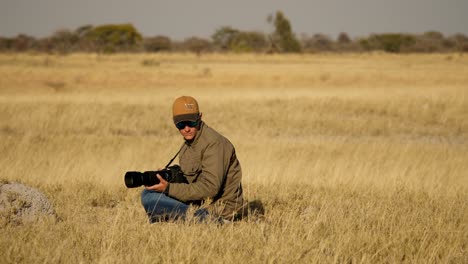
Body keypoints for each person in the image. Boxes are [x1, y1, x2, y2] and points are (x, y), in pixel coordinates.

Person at [141, 96, 244, 223]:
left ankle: (203, 220)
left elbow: (210, 188)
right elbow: (189, 178)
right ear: (174, 123)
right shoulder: (187, 146)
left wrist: (168, 188)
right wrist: (167, 175)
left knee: (153, 200)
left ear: (199, 117)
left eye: (191, 123)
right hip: (198, 204)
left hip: (219, 211)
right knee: (148, 194)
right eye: (181, 124)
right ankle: (179, 218)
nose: (186, 129)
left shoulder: (214, 144)